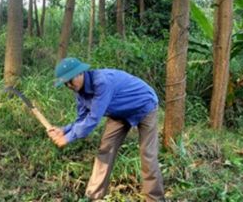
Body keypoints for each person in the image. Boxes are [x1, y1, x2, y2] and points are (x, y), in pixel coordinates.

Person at [47, 57, 164, 202]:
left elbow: (93, 119)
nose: (69, 85)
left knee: (148, 155)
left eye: (70, 81)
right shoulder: (80, 92)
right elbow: (81, 119)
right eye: (65, 83)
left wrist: (68, 138)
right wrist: (64, 130)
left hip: (144, 106)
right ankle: (93, 196)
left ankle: (155, 199)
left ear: (80, 73)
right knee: (105, 149)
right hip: (119, 112)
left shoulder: (102, 82)